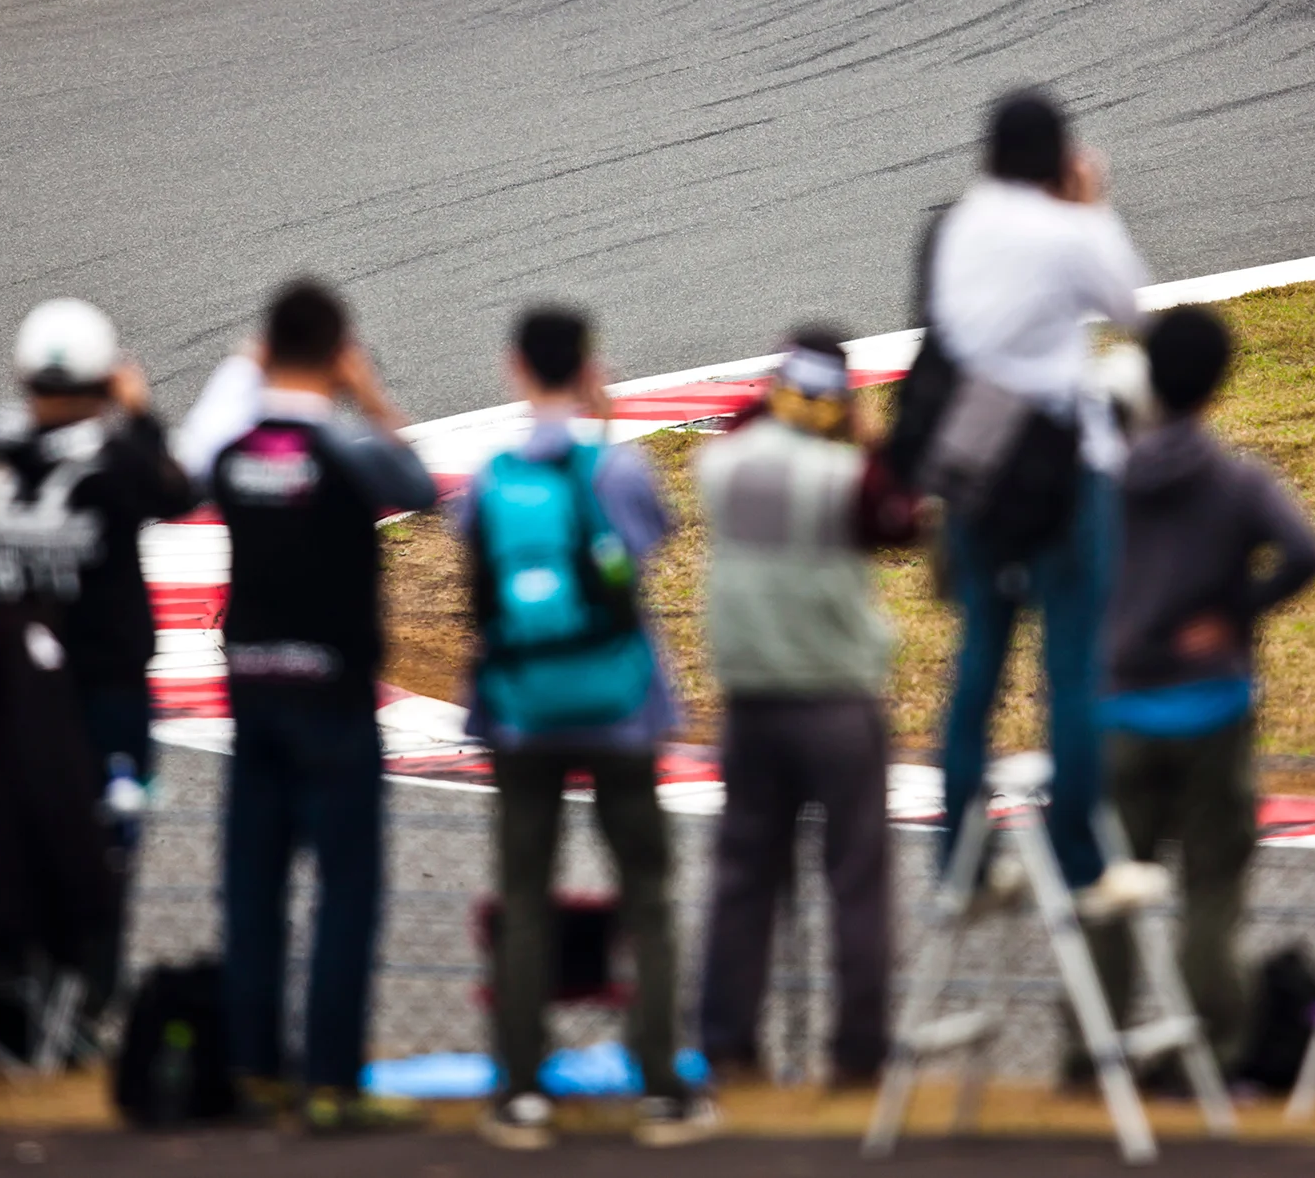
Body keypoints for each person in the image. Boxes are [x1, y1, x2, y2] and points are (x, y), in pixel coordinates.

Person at [187, 280, 436, 1134]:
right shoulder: (344, 450)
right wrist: (367, 396)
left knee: (252, 886)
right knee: (345, 889)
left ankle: (253, 1068)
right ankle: (330, 1080)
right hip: (330, 695)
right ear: (338, 353)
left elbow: (186, 461)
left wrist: (242, 380)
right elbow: (418, 482)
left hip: (252, 689)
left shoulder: (232, 448)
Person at [463, 306, 714, 1150]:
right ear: (590, 367)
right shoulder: (620, 470)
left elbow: (478, 586)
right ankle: (659, 1086)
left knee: (524, 891)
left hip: (521, 711)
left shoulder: (490, 480)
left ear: (515, 368)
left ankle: (521, 1087)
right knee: (647, 887)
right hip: (618, 709)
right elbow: (653, 546)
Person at [924, 87, 1149, 905]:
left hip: (976, 460)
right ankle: (1080, 859)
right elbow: (1130, 301)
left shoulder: (959, 224)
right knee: (1074, 666)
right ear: (1061, 158)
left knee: (979, 656)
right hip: (1061, 465)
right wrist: (1092, 207)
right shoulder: (1062, 230)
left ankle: (957, 858)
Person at [1092, 307, 1315, 1072]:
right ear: (1220, 382)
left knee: (1107, 889)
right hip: (1213, 706)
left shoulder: (1107, 480)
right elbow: (1306, 552)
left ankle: (1090, 1050)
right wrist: (1235, 613)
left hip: (1121, 704)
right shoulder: (1236, 478)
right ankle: (1218, 1051)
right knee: (1212, 890)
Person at [692, 328, 920, 1088]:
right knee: (856, 877)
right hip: (835, 699)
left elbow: (741, 425)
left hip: (751, 699)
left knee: (743, 876)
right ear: (840, 402)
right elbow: (904, 519)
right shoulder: (845, 477)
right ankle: (859, 1052)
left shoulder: (724, 465)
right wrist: (864, 433)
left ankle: (727, 1042)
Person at [0, 297, 198, 1018]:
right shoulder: (120, 453)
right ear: (104, 378)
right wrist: (141, 415)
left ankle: (14, 979)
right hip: (102, 683)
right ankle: (93, 991)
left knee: (17, 829)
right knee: (106, 837)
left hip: (9, 681)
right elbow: (177, 492)